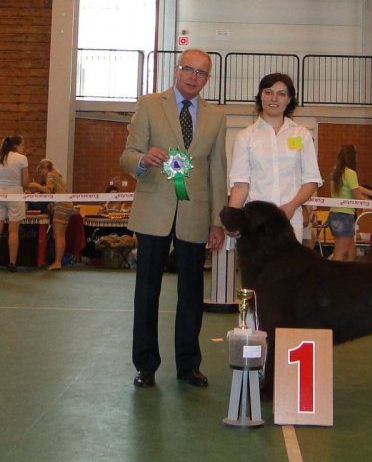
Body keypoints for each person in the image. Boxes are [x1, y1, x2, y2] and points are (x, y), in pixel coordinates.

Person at [119, 49, 227, 389]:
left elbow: (217, 171)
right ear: (177, 70)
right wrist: (142, 159)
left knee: (192, 294)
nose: (194, 77)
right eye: (188, 69)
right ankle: (146, 365)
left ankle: (188, 365)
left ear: (208, 79)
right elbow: (127, 155)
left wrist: (217, 220)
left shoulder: (216, 118)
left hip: (195, 215)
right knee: (147, 292)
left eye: (202, 73)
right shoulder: (150, 104)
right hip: (154, 213)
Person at [227, 73, 323, 242]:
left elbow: (311, 181)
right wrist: (232, 219)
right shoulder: (245, 136)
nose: (274, 98)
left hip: (290, 220)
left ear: (289, 99)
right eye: (268, 92)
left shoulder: (302, 135)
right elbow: (241, 184)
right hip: (254, 222)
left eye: (281, 94)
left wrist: (291, 207)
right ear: (260, 96)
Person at [327, 144, 372, 261]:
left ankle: (349, 276)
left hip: (335, 215)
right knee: (339, 254)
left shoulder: (336, 171)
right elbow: (357, 195)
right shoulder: (350, 173)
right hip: (344, 217)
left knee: (351, 251)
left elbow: (356, 188)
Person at [28, 159, 74, 270]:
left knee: (57, 235)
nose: (41, 174)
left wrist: (36, 185)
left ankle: (57, 262)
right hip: (67, 205)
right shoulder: (58, 175)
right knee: (61, 236)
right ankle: (58, 261)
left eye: (41, 171)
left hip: (61, 206)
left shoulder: (51, 175)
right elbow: (57, 192)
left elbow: (49, 191)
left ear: (45, 168)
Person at [0, 135, 29, 272]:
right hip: (15, 195)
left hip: (0, 194)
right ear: (16, 146)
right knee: (13, 231)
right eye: (23, 145)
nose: (25, 148)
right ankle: (12, 263)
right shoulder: (22, 158)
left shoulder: (1, 156)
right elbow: (25, 182)